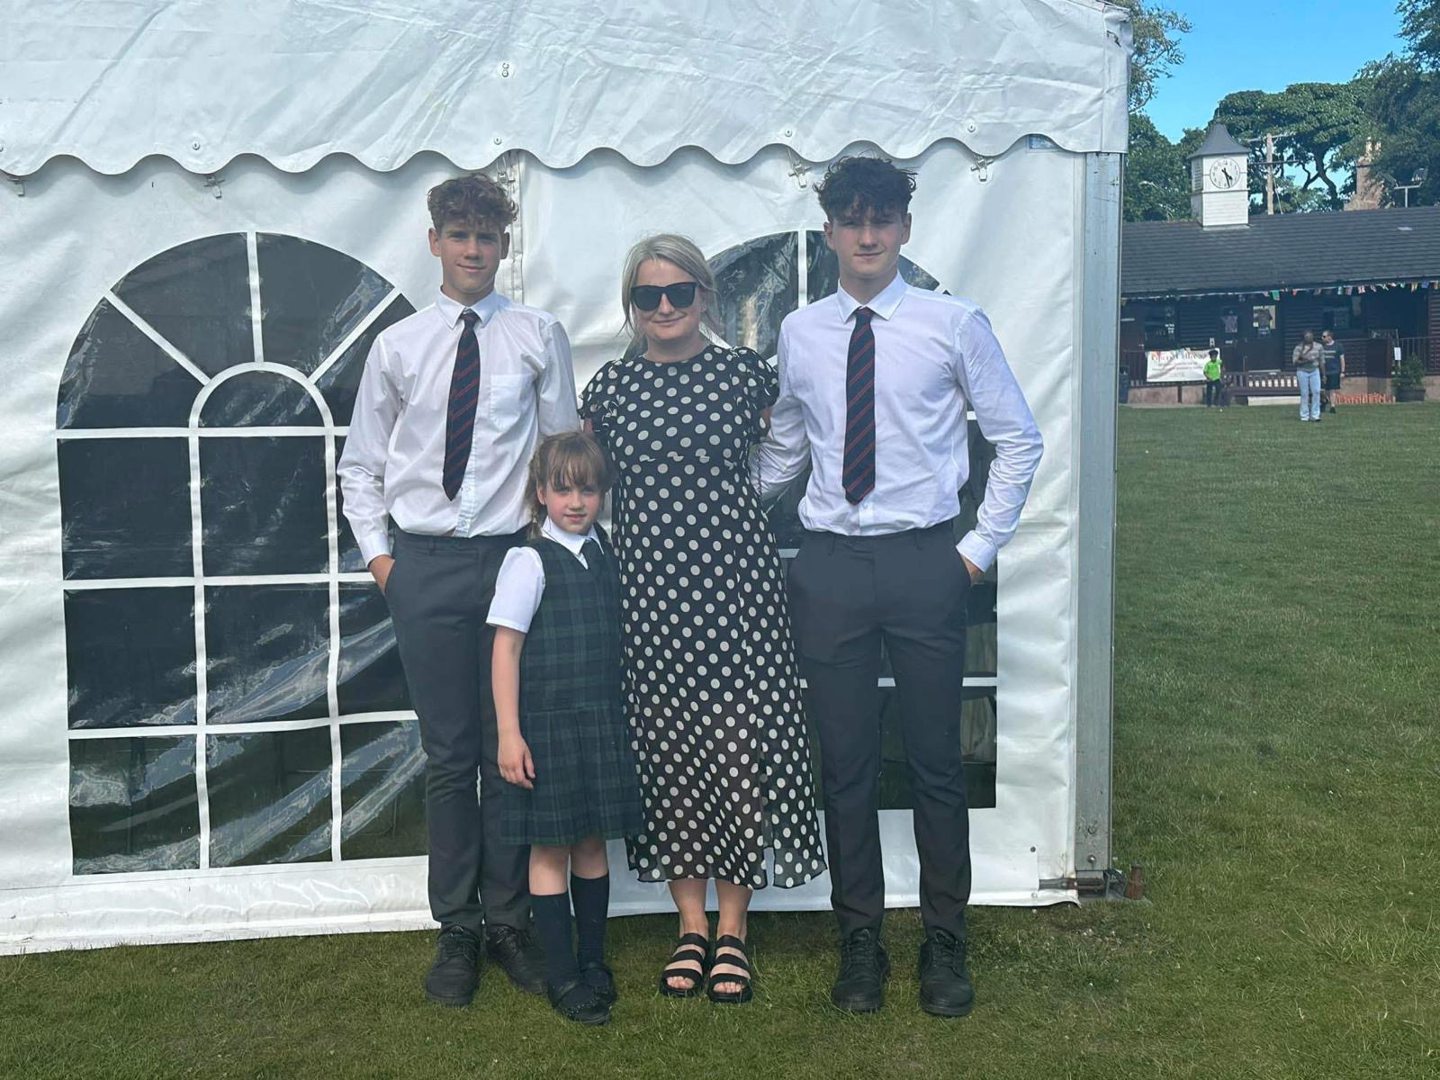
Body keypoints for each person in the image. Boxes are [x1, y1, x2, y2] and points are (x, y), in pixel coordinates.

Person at [758, 156, 1043, 1017]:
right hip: (833, 567)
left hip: (926, 561)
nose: (868, 233)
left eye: (882, 218)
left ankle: (944, 943)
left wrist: (974, 550)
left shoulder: (954, 324)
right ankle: (861, 942)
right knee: (843, 766)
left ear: (907, 228)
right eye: (850, 219)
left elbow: (1018, 439)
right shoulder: (801, 332)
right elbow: (784, 449)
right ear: (830, 231)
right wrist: (702, 487)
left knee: (933, 764)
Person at [337, 173, 580, 1007]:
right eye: (460, 234)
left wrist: (551, 553)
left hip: (512, 561)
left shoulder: (538, 336)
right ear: (434, 241)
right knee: (448, 756)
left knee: (506, 749)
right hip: (427, 567)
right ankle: (457, 928)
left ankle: (510, 920)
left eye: (488, 236)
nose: (475, 249)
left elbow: (562, 458)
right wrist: (384, 564)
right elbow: (362, 466)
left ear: (504, 247)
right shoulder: (398, 348)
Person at [580, 234, 826, 1006]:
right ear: (632, 306)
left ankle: (734, 929)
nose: (663, 308)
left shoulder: (745, 376)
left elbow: (790, 447)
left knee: (737, 752)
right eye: (647, 296)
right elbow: (583, 486)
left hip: (739, 599)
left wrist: (742, 505)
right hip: (649, 601)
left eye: (678, 293)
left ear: (704, 297)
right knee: (669, 759)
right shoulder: (609, 391)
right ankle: (689, 925)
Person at [489, 432, 642, 1025]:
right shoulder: (528, 560)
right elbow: (506, 650)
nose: (576, 501)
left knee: (591, 842)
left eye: (588, 489)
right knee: (550, 847)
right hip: (546, 728)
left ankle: (595, 960)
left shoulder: (604, 549)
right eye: (563, 489)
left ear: (602, 494)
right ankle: (560, 972)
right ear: (540, 493)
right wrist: (509, 733)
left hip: (599, 720)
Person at [1292, 330, 1324, 422]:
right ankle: (1304, 415)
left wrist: (1324, 374)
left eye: (1310, 336)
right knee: (1304, 393)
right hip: (1302, 371)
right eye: (1307, 337)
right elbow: (1295, 362)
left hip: (1315, 370)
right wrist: (1306, 361)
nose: (1309, 338)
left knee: (1316, 392)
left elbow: (1322, 361)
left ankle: (1315, 415)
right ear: (1304, 338)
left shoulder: (1319, 346)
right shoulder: (1298, 348)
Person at [1320, 330, 1345, 414]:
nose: (1322, 338)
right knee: (1322, 390)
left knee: (1332, 390)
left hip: (1334, 371)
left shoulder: (1338, 346)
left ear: (1329, 337)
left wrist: (1342, 371)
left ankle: (1332, 406)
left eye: (1324, 336)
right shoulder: (1322, 347)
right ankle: (1324, 401)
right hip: (1324, 372)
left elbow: (1342, 359)